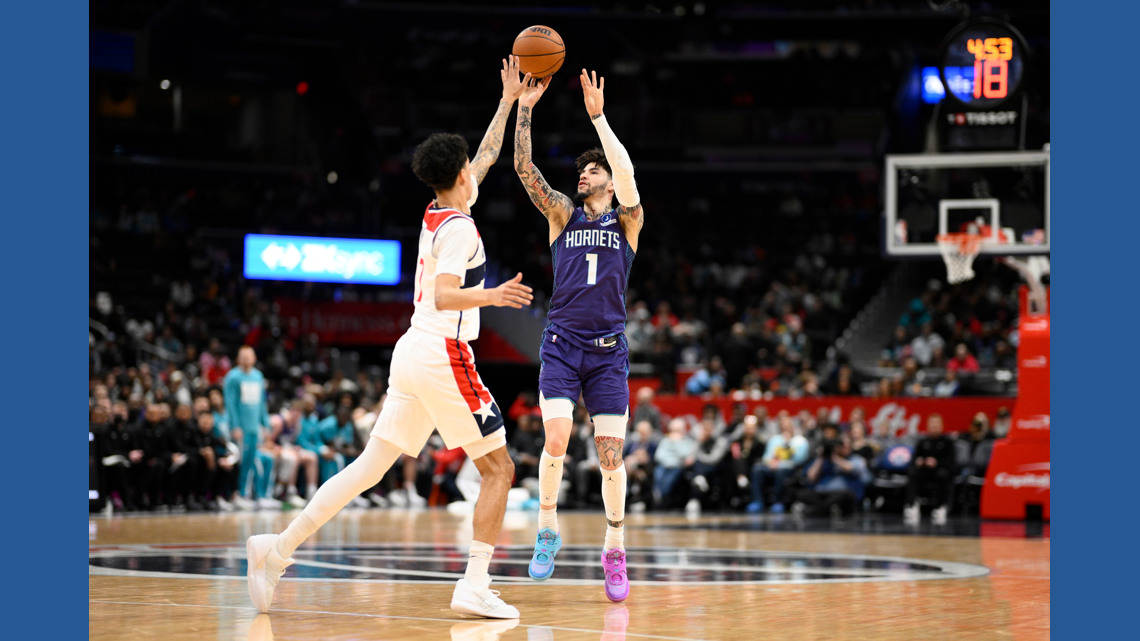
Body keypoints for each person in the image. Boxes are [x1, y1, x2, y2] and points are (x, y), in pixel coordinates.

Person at [246, 56, 531, 620]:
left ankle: (275, 552)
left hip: (412, 351)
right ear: (463, 177)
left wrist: (509, 101)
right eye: (471, 166)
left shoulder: (436, 210)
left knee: (368, 469)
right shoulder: (462, 228)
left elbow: (488, 155)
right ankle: (473, 584)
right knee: (500, 470)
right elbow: (448, 295)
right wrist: (493, 296)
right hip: (442, 351)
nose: (479, 167)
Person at [513, 68, 644, 602]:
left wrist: (599, 118)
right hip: (563, 345)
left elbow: (629, 173)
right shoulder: (563, 215)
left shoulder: (629, 219)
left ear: (608, 179)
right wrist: (523, 108)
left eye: (594, 170)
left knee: (611, 455)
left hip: (609, 353)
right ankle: (548, 530)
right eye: (583, 169)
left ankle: (615, 548)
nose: (584, 174)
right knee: (559, 439)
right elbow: (524, 168)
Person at [224, 346, 280, 510]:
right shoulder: (232, 377)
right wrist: (235, 426)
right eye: (243, 356)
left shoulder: (258, 376)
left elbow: (262, 404)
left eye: (249, 356)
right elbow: (230, 403)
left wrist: (265, 425)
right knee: (241, 461)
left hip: (254, 427)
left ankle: (248, 493)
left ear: (254, 358)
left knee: (250, 461)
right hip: (241, 427)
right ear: (238, 358)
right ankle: (239, 494)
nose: (247, 359)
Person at [903, 413, 957, 525]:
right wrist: (919, 461)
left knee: (943, 475)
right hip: (924, 471)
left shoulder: (948, 443)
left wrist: (937, 462)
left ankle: (941, 506)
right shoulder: (922, 442)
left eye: (937, 424)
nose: (934, 426)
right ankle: (912, 504)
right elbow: (913, 459)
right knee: (912, 472)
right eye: (932, 424)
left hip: (940, 470)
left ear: (942, 426)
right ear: (928, 426)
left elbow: (951, 462)